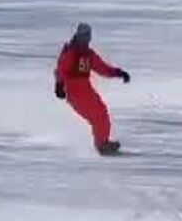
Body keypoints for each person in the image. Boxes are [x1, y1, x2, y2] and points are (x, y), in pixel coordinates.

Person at [55, 23, 130, 155]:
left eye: (87, 37)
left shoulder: (89, 54)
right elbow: (61, 69)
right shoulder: (71, 52)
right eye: (83, 36)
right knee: (97, 117)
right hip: (76, 94)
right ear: (78, 36)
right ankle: (102, 144)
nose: (85, 40)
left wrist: (119, 73)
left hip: (87, 91)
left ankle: (103, 143)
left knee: (102, 113)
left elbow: (102, 68)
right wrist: (59, 85)